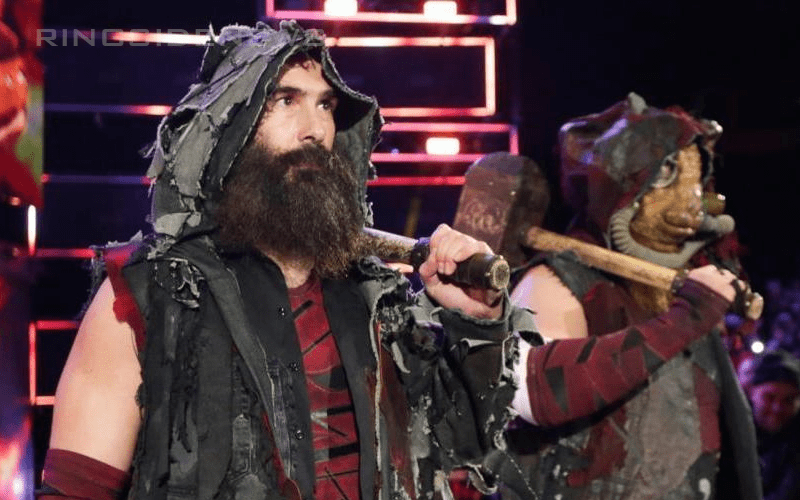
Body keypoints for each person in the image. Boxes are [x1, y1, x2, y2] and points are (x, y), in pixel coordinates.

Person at [38, 21, 526, 500]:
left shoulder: (377, 301)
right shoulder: (149, 298)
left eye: (326, 105)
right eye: (286, 101)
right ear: (233, 125)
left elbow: (459, 448)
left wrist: (477, 322)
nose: (315, 129)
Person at [505, 94, 761, 499]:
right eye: (665, 175)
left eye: (695, 180)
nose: (691, 204)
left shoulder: (683, 290)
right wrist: (686, 318)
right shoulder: (556, 283)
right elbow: (530, 394)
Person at [742, 350, 800, 500]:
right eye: (769, 397)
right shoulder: (731, 431)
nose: (777, 408)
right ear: (751, 393)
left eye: (789, 400)